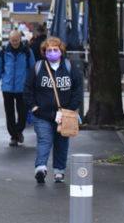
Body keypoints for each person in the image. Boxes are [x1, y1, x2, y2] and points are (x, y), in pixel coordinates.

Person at [24, 36, 83, 184]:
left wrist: (70, 108)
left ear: (61, 51)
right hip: (42, 114)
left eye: (55, 50)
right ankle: (41, 167)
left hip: (65, 113)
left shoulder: (69, 68)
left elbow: (78, 89)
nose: (52, 52)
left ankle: (59, 171)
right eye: (49, 50)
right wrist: (34, 107)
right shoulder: (38, 68)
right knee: (45, 140)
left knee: (62, 142)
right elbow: (28, 89)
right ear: (44, 52)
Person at [0, 31, 35, 146]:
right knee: (9, 113)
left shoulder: (27, 51)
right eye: (13, 40)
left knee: (23, 113)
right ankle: (14, 137)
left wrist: (33, 87)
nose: (15, 42)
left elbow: (33, 70)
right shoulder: (3, 52)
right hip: (7, 87)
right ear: (9, 40)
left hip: (22, 88)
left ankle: (19, 130)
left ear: (20, 39)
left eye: (17, 40)